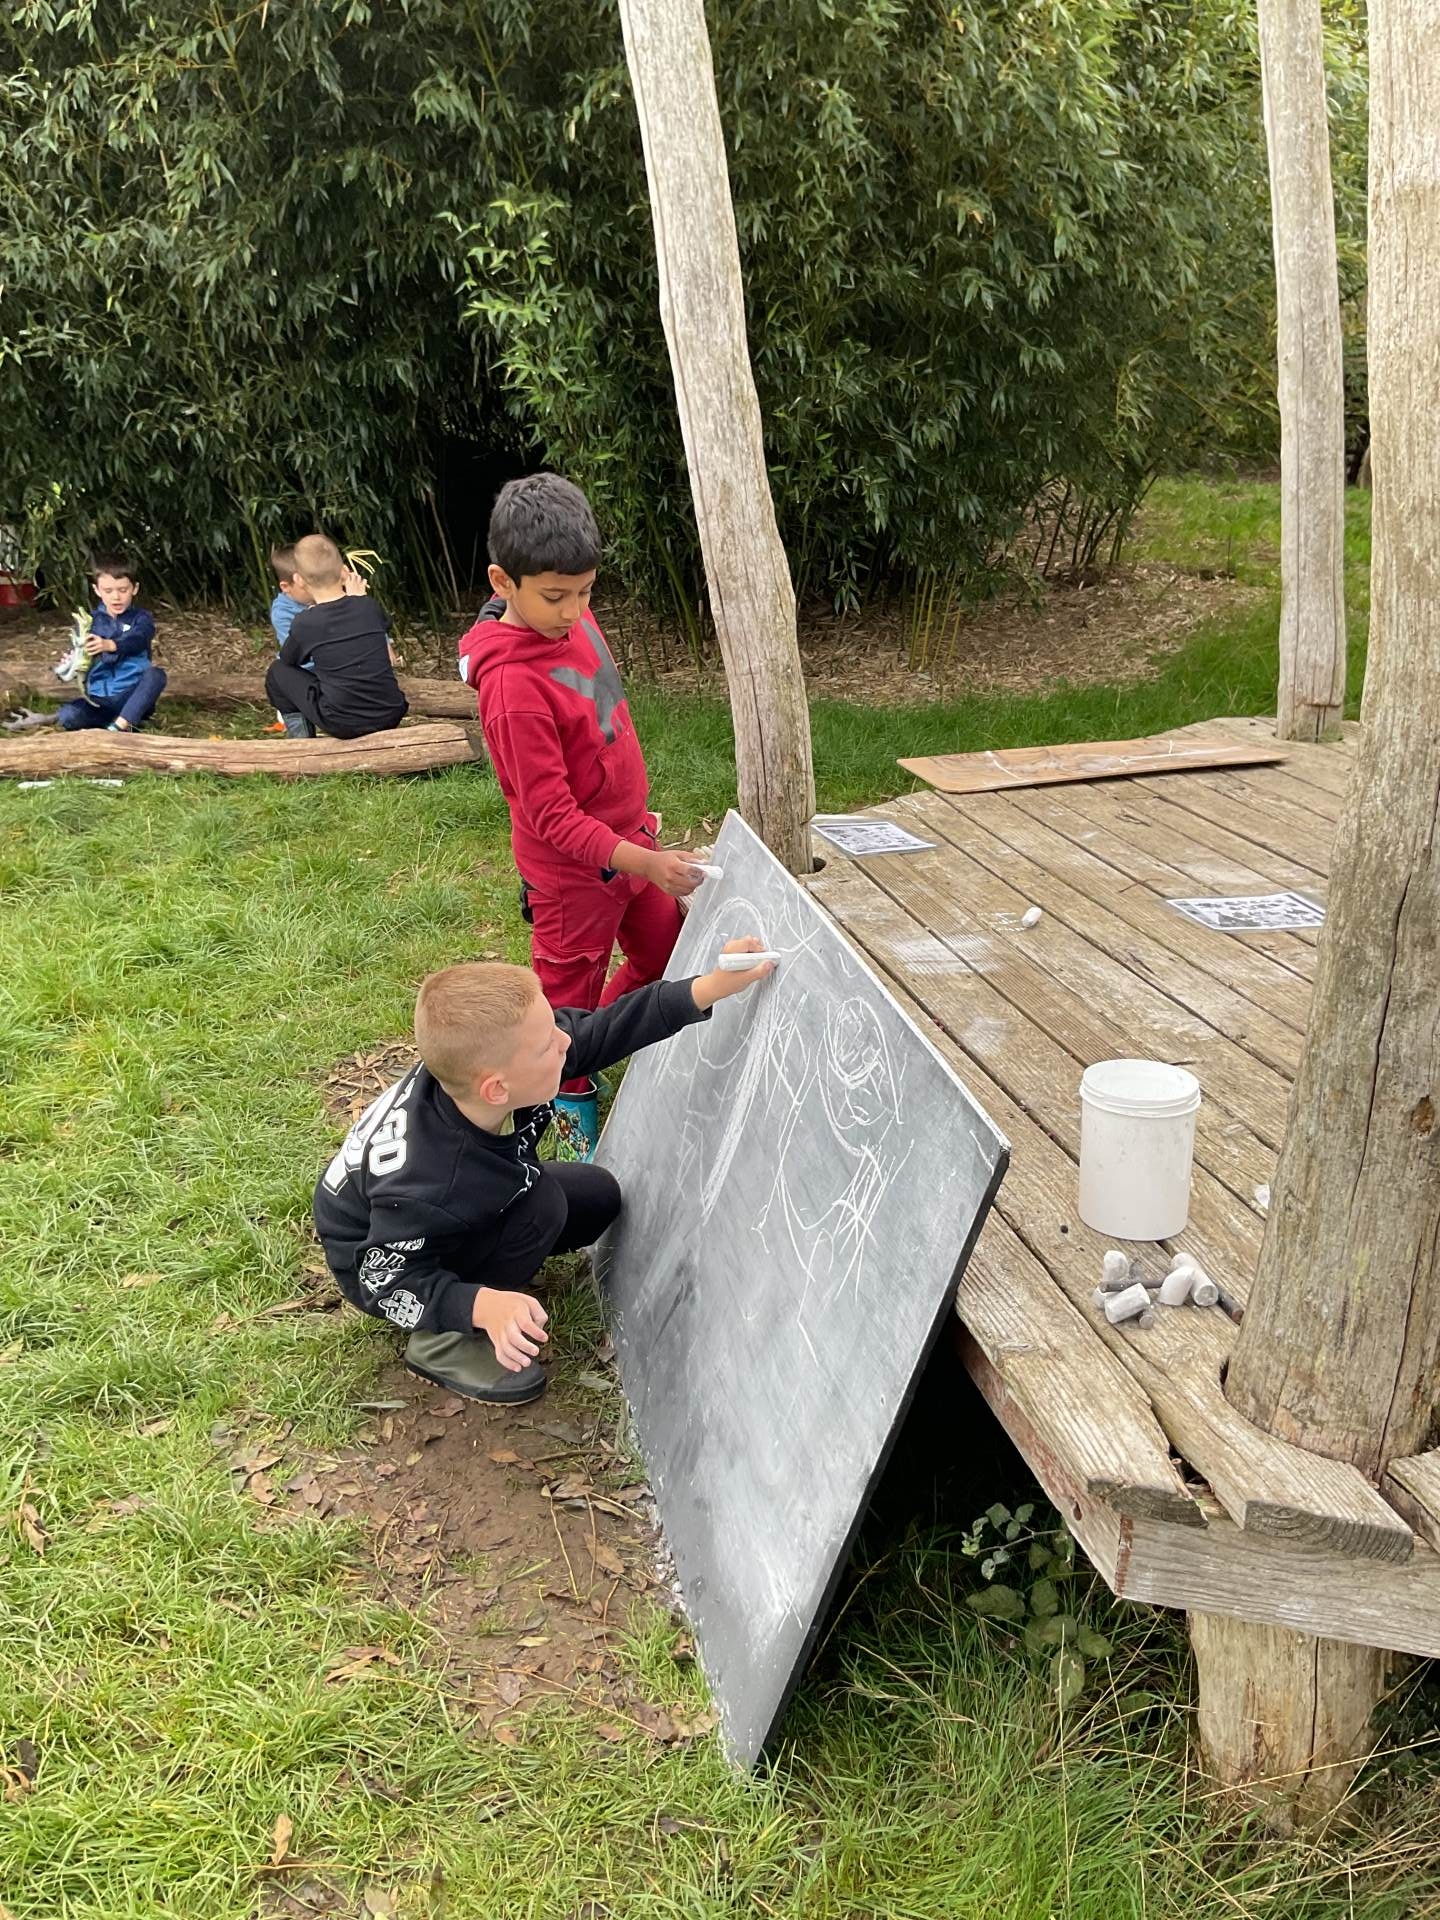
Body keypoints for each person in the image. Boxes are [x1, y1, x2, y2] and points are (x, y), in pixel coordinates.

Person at [313, 938, 774, 1404]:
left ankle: (487, 1265)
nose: (564, 1041)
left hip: (442, 1211)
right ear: (497, 1089)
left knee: (595, 1196)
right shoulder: (430, 1183)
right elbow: (381, 1278)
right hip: (384, 1259)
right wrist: (481, 1304)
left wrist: (711, 986)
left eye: (553, 1025)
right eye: (547, 1044)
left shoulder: (496, 1075)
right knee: (541, 1207)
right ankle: (441, 1341)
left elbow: (604, 1030)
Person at [458, 474, 705, 1160]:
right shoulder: (511, 687)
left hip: (631, 845)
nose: (573, 611)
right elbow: (552, 817)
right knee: (560, 1012)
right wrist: (646, 861)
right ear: (503, 582)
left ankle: (597, 1043)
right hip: (571, 880)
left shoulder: (570, 614)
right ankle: (567, 1119)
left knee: (663, 956)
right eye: (555, 597)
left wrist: (637, 835)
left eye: (586, 592)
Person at [264, 534, 406, 739]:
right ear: (344, 571)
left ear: (299, 580)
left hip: (343, 723)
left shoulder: (306, 622)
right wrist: (358, 600)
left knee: (277, 671)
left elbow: (289, 661)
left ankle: (302, 744)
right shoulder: (369, 606)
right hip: (390, 713)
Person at [56, 551, 167, 733]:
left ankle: (120, 726)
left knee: (156, 676)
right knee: (68, 715)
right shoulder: (89, 622)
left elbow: (139, 638)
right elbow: (78, 656)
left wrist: (111, 645)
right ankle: (115, 723)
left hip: (131, 695)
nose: (116, 597)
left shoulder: (141, 618)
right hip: (99, 700)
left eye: (123, 590)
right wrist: (68, 666)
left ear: (135, 588)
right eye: (108, 591)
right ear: (97, 590)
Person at [266, 544, 314, 737]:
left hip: (333, 674)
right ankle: (301, 739)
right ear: (286, 587)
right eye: (308, 585)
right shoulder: (282, 612)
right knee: (278, 674)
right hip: (306, 672)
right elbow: (298, 655)